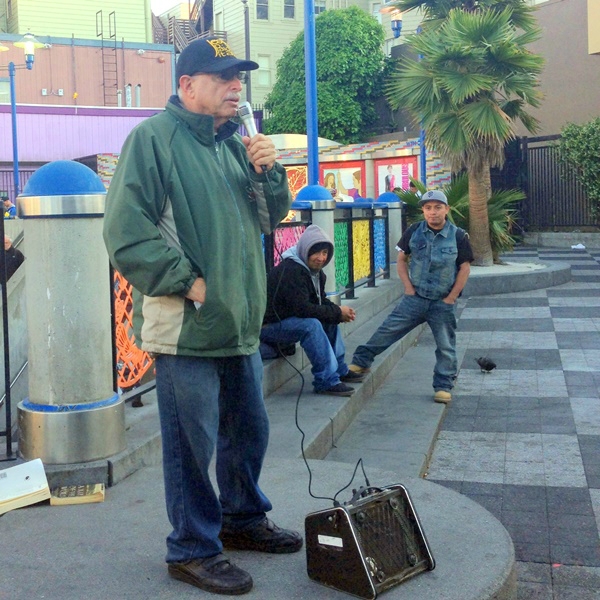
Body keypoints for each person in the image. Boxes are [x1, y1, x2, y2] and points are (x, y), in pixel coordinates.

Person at [103, 37, 299, 596]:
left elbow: (272, 219)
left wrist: (270, 174)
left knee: (248, 431)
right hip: (185, 325)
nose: (236, 86)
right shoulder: (152, 140)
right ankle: (192, 547)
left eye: (239, 77)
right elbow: (125, 233)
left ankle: (242, 519)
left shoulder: (235, 145)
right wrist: (189, 284)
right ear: (187, 85)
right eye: (222, 77)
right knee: (192, 441)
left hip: (237, 321)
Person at [349, 190, 473, 404]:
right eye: (428, 208)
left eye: (437, 207)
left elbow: (464, 268)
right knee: (387, 330)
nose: (432, 212)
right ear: (423, 210)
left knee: (446, 345)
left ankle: (443, 385)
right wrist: (407, 287)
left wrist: (451, 297)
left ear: (446, 209)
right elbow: (401, 259)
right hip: (415, 298)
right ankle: (362, 361)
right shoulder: (414, 231)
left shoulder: (458, 236)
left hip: (442, 302)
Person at [260, 224, 365, 397]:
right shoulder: (291, 271)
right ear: (305, 250)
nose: (320, 258)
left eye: (325, 253)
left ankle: (339, 370)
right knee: (311, 325)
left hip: (287, 323)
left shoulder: (317, 273)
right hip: (267, 327)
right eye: (316, 252)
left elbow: (320, 301)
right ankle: (325, 380)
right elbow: (302, 309)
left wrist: (337, 312)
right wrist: (337, 312)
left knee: (328, 319)